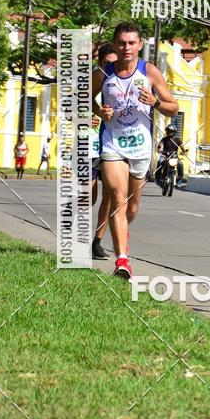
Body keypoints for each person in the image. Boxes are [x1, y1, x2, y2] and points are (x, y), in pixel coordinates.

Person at [91, 22, 178, 279]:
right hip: (112, 144)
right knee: (118, 199)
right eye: (121, 42)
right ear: (115, 44)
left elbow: (173, 107)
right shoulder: (103, 73)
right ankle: (122, 261)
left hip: (140, 146)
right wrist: (98, 110)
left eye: (131, 43)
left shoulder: (149, 72)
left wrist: (156, 102)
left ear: (140, 45)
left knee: (131, 208)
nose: (126, 47)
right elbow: (80, 97)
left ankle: (120, 237)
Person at [91, 43, 118, 261]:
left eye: (114, 63)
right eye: (107, 63)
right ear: (100, 63)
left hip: (115, 143)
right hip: (88, 143)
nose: (111, 67)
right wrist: (96, 111)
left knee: (110, 195)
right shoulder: (96, 78)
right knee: (89, 196)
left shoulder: (126, 77)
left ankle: (97, 242)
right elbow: (77, 102)